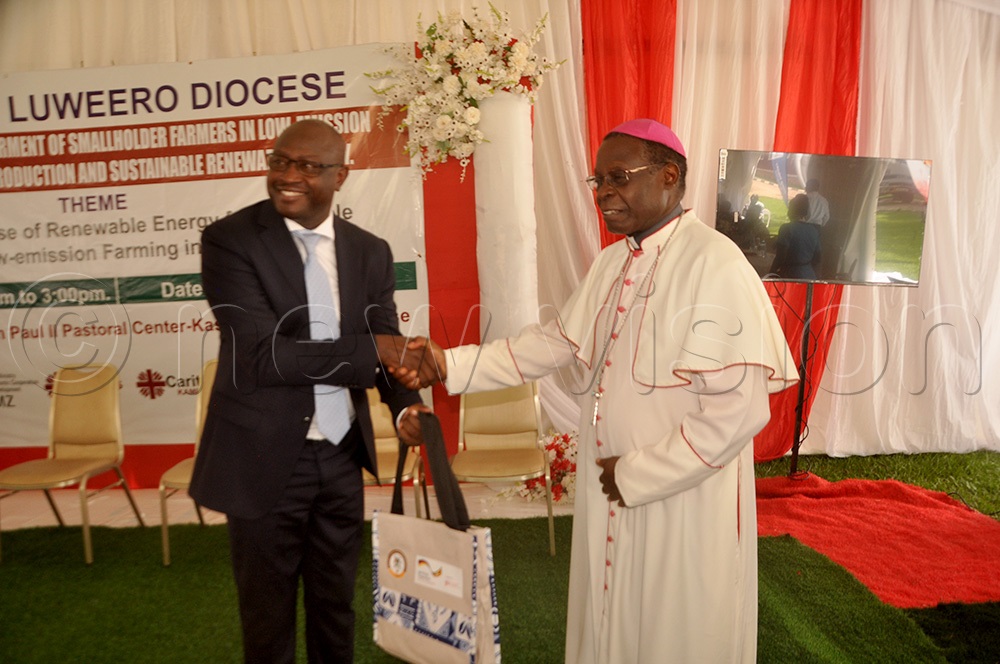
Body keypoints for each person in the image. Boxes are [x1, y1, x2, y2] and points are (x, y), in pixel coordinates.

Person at [396, 119, 798, 663]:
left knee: (673, 626)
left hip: (680, 497)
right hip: (612, 489)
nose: (604, 192)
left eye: (619, 177)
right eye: (597, 180)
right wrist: (448, 364)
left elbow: (739, 410)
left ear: (670, 176)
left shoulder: (716, 263)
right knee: (608, 616)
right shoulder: (614, 262)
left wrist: (636, 473)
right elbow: (550, 344)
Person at [190, 119, 432, 664]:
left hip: (343, 456)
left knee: (335, 606)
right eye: (280, 162)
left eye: (307, 166)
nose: (288, 176)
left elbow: (384, 338)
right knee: (267, 616)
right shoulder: (231, 240)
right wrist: (377, 353)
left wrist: (406, 407)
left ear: (340, 176)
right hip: (262, 456)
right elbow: (262, 355)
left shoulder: (369, 252)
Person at [770, 193, 822, 279]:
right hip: (809, 275)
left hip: (790, 275)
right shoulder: (814, 230)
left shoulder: (786, 228)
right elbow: (818, 258)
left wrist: (771, 273)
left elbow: (780, 257)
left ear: (791, 211)